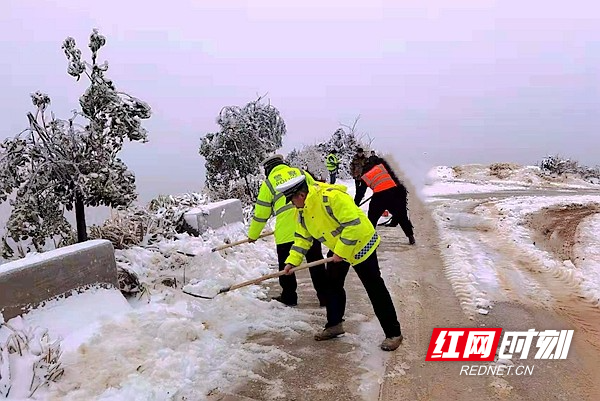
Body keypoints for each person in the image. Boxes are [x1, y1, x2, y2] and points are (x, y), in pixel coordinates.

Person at [275, 175, 403, 351]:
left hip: (361, 243)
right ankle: (334, 325)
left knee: (374, 287)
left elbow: (354, 225)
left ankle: (393, 333)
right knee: (332, 285)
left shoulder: (331, 197)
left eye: (291, 200)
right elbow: (303, 239)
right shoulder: (302, 211)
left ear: (300, 195)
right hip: (339, 247)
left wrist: (341, 252)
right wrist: (291, 262)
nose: (291, 204)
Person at [248, 155, 328, 306]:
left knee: (286, 267)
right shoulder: (300, 173)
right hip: (308, 226)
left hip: (286, 232)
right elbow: (318, 192)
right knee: (316, 263)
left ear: (268, 170)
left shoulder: (269, 183)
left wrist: (253, 235)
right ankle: (325, 297)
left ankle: (289, 297)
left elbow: (261, 214)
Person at [361, 157, 415, 245]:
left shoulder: (366, 174)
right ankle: (410, 236)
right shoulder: (382, 167)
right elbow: (395, 178)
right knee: (402, 216)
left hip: (379, 197)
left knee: (372, 218)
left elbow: (361, 192)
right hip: (394, 192)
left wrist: (356, 203)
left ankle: (370, 239)